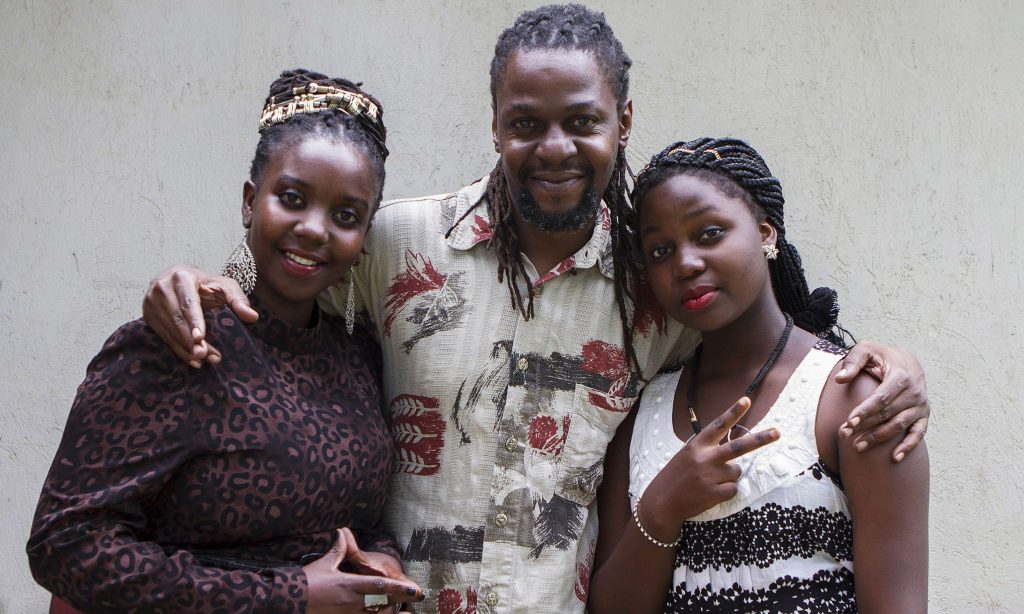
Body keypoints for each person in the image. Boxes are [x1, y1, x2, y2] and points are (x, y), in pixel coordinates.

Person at [140, 6, 930, 613]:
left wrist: (887, 366)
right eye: (525, 124)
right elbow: (288, 274)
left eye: (582, 121)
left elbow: (771, 337)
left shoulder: (658, 283)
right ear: (495, 126)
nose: (553, 147)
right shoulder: (397, 244)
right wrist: (209, 278)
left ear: (623, 121)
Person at [27, 69, 425, 613]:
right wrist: (290, 595)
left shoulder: (356, 356)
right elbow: (63, 545)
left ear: (363, 237)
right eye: (291, 198)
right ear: (248, 202)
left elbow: (353, 516)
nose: (314, 228)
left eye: (345, 215)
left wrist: (379, 556)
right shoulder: (173, 345)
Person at [589, 138, 929, 613]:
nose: (685, 263)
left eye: (709, 233)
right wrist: (663, 507)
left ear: (766, 234)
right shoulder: (640, 416)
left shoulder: (855, 398)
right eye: (661, 250)